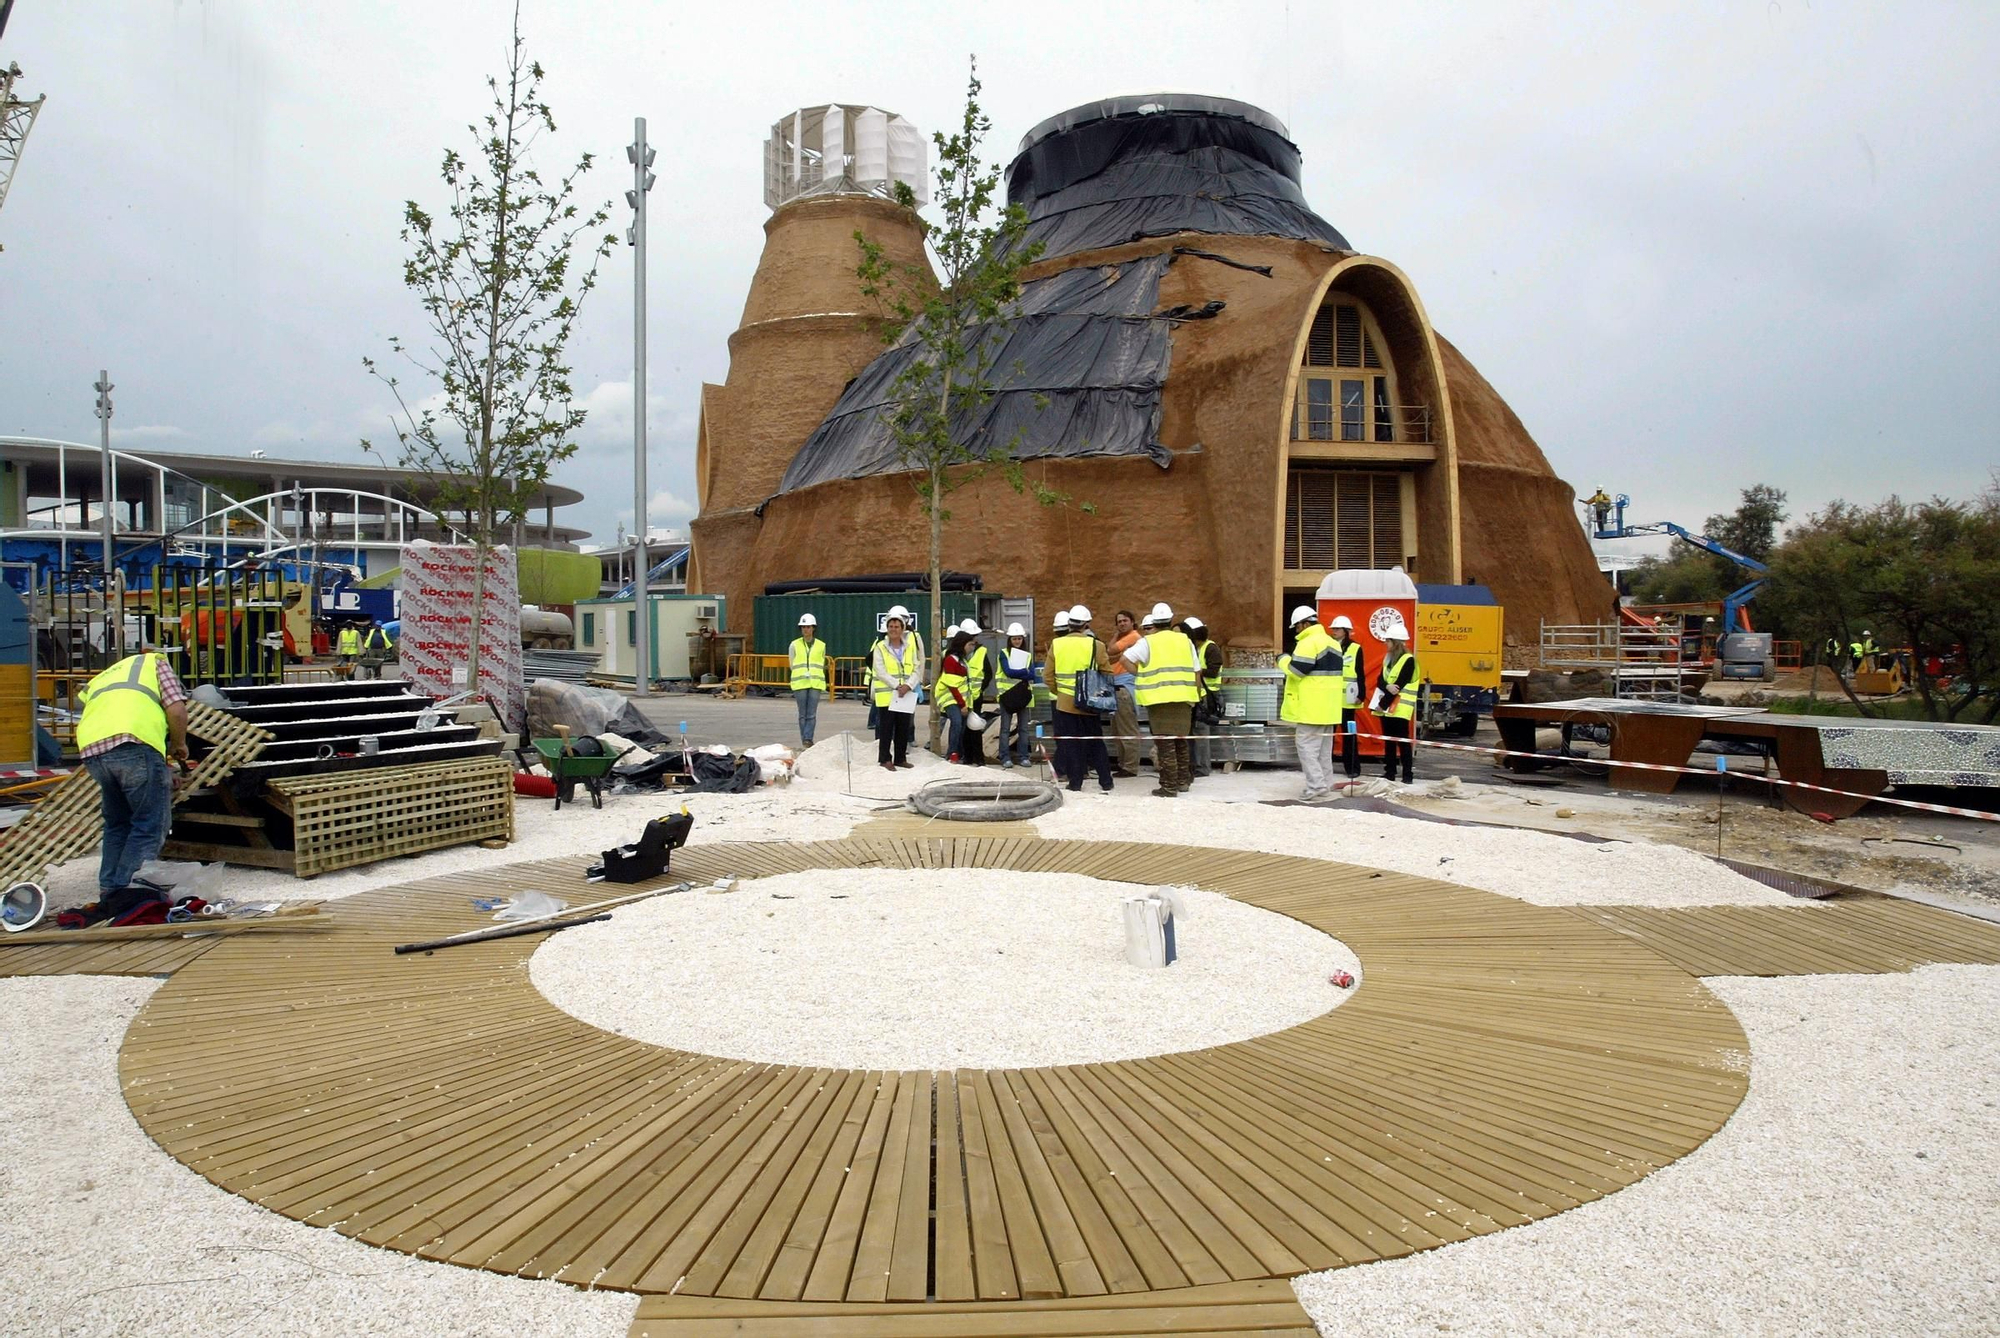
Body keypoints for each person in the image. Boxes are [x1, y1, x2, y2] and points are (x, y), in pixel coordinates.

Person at [76, 647, 190, 905]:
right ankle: (127, 893)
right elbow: (176, 711)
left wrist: (161, 768)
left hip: (93, 751)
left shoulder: (109, 675)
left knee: (118, 823)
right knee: (149, 824)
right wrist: (179, 743)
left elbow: (125, 713)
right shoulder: (156, 664)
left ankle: (109, 890)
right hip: (133, 744)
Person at [1122, 602, 1201, 797]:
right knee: (1181, 742)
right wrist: (1196, 695)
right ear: (1170, 619)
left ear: (1154, 622)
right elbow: (1197, 671)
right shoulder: (1185, 640)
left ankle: (1168, 786)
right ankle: (1183, 781)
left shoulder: (1148, 642)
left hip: (1158, 701)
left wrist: (1141, 675)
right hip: (1184, 698)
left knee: (1165, 745)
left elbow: (1125, 660)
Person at [1050, 604, 1115, 792]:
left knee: (1071, 744)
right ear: (1087, 624)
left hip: (1064, 704)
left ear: (1069, 624)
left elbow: (1048, 675)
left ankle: (1075, 783)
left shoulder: (1057, 644)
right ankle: (1106, 781)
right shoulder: (1097, 645)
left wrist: (1061, 692)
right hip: (1089, 704)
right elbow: (1107, 674)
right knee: (1096, 742)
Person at [1283, 606, 1344, 800]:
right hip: (1330, 708)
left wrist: (1283, 660)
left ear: (1305, 624)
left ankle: (1315, 785)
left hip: (1312, 707)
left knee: (1307, 748)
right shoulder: (1333, 643)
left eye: (1297, 627)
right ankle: (1325, 783)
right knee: (1323, 751)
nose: (1297, 631)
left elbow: (1296, 671)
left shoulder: (1308, 643)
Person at [871, 605, 925, 771]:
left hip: (905, 694)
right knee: (886, 728)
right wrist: (897, 685)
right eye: (891, 626)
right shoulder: (880, 647)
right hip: (888, 694)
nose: (893, 629)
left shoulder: (909, 647)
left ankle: (900, 758)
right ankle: (885, 759)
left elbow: (917, 666)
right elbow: (880, 670)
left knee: (903, 727)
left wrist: (909, 685)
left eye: (897, 626)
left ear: (903, 629)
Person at [1376, 619, 1422, 783]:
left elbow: (1400, 686)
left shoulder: (1408, 660)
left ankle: (1407, 775)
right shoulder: (1388, 659)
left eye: (1388, 640)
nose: (1386, 644)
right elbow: (1380, 680)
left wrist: (1382, 705)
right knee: (1389, 742)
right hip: (1388, 707)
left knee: (1402, 741)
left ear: (1395, 642)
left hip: (1400, 708)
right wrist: (1387, 687)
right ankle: (1390, 773)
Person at [1184, 615, 1228, 779]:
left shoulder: (1210, 648)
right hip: (1198, 693)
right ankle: (1195, 765)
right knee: (1195, 733)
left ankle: (1202, 767)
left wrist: (1196, 671)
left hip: (1208, 695)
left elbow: (1214, 670)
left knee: (1201, 732)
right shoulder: (1195, 648)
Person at [1328, 615, 1365, 784]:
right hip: (1331, 698)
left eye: (1337, 629)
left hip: (1348, 699)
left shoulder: (1355, 648)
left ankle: (1352, 768)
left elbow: (1360, 672)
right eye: (1333, 629)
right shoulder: (1329, 647)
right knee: (1327, 735)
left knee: (1349, 735)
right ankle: (1326, 767)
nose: (1334, 632)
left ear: (1346, 631)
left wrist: (1361, 694)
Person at [1106, 609, 1143, 778]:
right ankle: (1123, 764)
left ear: (1133, 622)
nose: (1121, 624)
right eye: (1119, 621)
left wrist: (1115, 637)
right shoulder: (1127, 639)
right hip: (1117, 688)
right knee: (1119, 730)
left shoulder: (1133, 637)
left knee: (1127, 730)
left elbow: (1110, 651)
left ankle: (1129, 766)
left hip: (1124, 690)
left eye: (1124, 621)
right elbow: (1111, 655)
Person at [995, 622, 1036, 769]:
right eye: (1014, 639)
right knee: (1005, 728)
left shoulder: (1028, 655)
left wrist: (1024, 672)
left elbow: (1032, 674)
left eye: (1019, 638)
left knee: (1023, 728)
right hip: (1007, 695)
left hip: (1023, 695)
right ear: (1009, 640)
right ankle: (1005, 757)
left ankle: (1023, 757)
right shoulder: (1004, 654)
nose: (1017, 641)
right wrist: (1024, 672)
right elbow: (1008, 672)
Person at [788, 613, 828, 747]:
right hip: (800, 683)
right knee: (802, 714)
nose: (805, 629)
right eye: (803, 627)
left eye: (808, 627)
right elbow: (792, 664)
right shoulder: (794, 645)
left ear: (813, 628)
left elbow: (821, 663)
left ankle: (808, 738)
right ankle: (805, 738)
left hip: (815, 683)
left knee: (811, 713)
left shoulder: (821, 645)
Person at [958, 619, 992, 766]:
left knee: (975, 727)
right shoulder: (955, 653)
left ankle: (978, 758)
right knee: (963, 728)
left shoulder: (981, 652)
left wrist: (980, 689)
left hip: (976, 696)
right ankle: (967, 757)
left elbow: (988, 673)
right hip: (961, 696)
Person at [937, 629, 974, 763]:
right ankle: (952, 753)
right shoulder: (951, 660)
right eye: (970, 644)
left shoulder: (962, 660)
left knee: (961, 727)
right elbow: (952, 685)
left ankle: (958, 753)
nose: (972, 648)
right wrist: (962, 704)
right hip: (950, 699)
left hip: (961, 699)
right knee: (957, 723)